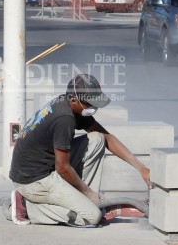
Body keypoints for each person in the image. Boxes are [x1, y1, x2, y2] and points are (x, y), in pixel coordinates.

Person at [8, 73, 151, 227]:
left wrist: (141, 168)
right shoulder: (64, 119)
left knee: (97, 139)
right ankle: (26, 206)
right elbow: (63, 168)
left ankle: (85, 202)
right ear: (74, 100)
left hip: (44, 167)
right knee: (91, 217)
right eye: (90, 103)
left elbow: (107, 138)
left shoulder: (72, 106)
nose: (93, 108)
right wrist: (88, 193)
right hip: (33, 180)